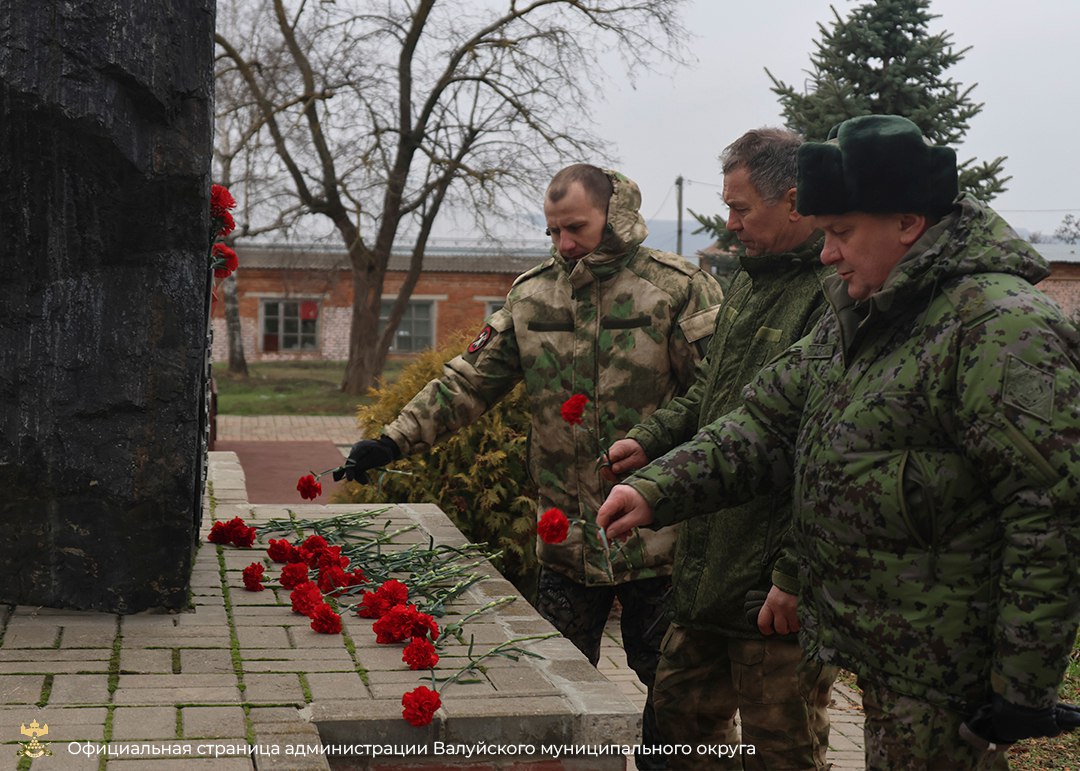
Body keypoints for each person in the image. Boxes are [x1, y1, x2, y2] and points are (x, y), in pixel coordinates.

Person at [597, 115, 1080, 770]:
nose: (826, 254)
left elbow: (1049, 513)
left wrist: (1022, 687)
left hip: (948, 677)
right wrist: (655, 488)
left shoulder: (998, 327)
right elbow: (765, 422)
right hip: (884, 655)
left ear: (907, 222)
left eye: (842, 232)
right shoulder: (863, 314)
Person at [337, 164, 723, 766]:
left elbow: (718, 396)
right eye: (553, 231)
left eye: (576, 228)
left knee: (679, 704)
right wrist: (391, 441)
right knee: (554, 694)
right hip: (567, 540)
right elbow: (468, 383)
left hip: (661, 539)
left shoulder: (677, 289)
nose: (564, 244)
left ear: (616, 218)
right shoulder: (532, 295)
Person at [604, 128, 836, 770]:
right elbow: (711, 395)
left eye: (741, 209)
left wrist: (793, 576)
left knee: (782, 753)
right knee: (680, 728)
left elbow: (825, 459)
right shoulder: (751, 284)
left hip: (772, 596)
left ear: (794, 201)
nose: (730, 225)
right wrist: (648, 440)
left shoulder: (834, 294)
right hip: (708, 570)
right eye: (727, 207)